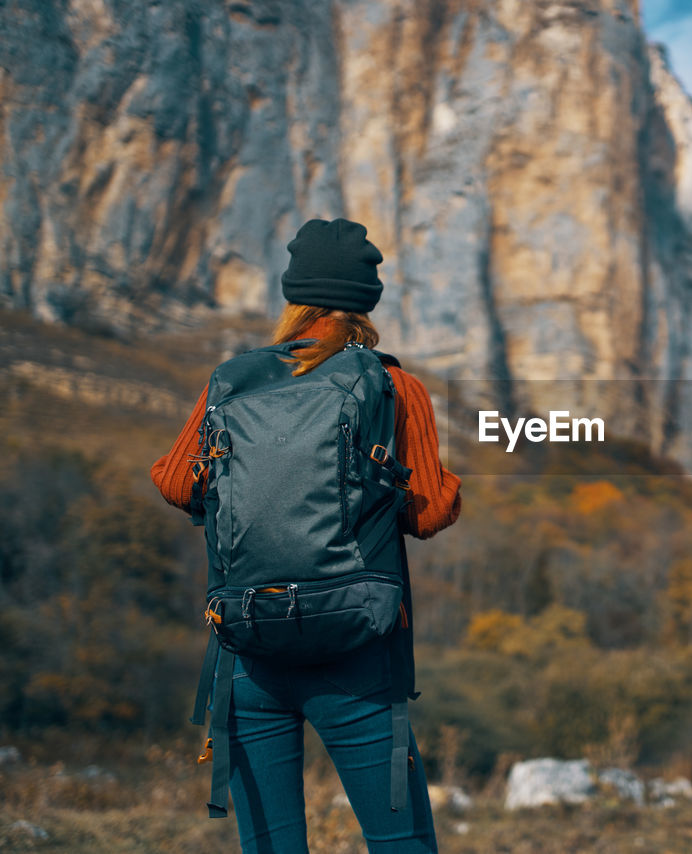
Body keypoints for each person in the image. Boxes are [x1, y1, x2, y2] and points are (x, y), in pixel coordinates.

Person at [151, 218, 461, 853]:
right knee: (401, 843)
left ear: (293, 299)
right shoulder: (394, 386)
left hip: (250, 649)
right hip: (356, 652)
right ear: (366, 304)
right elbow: (428, 513)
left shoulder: (234, 379)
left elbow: (178, 483)